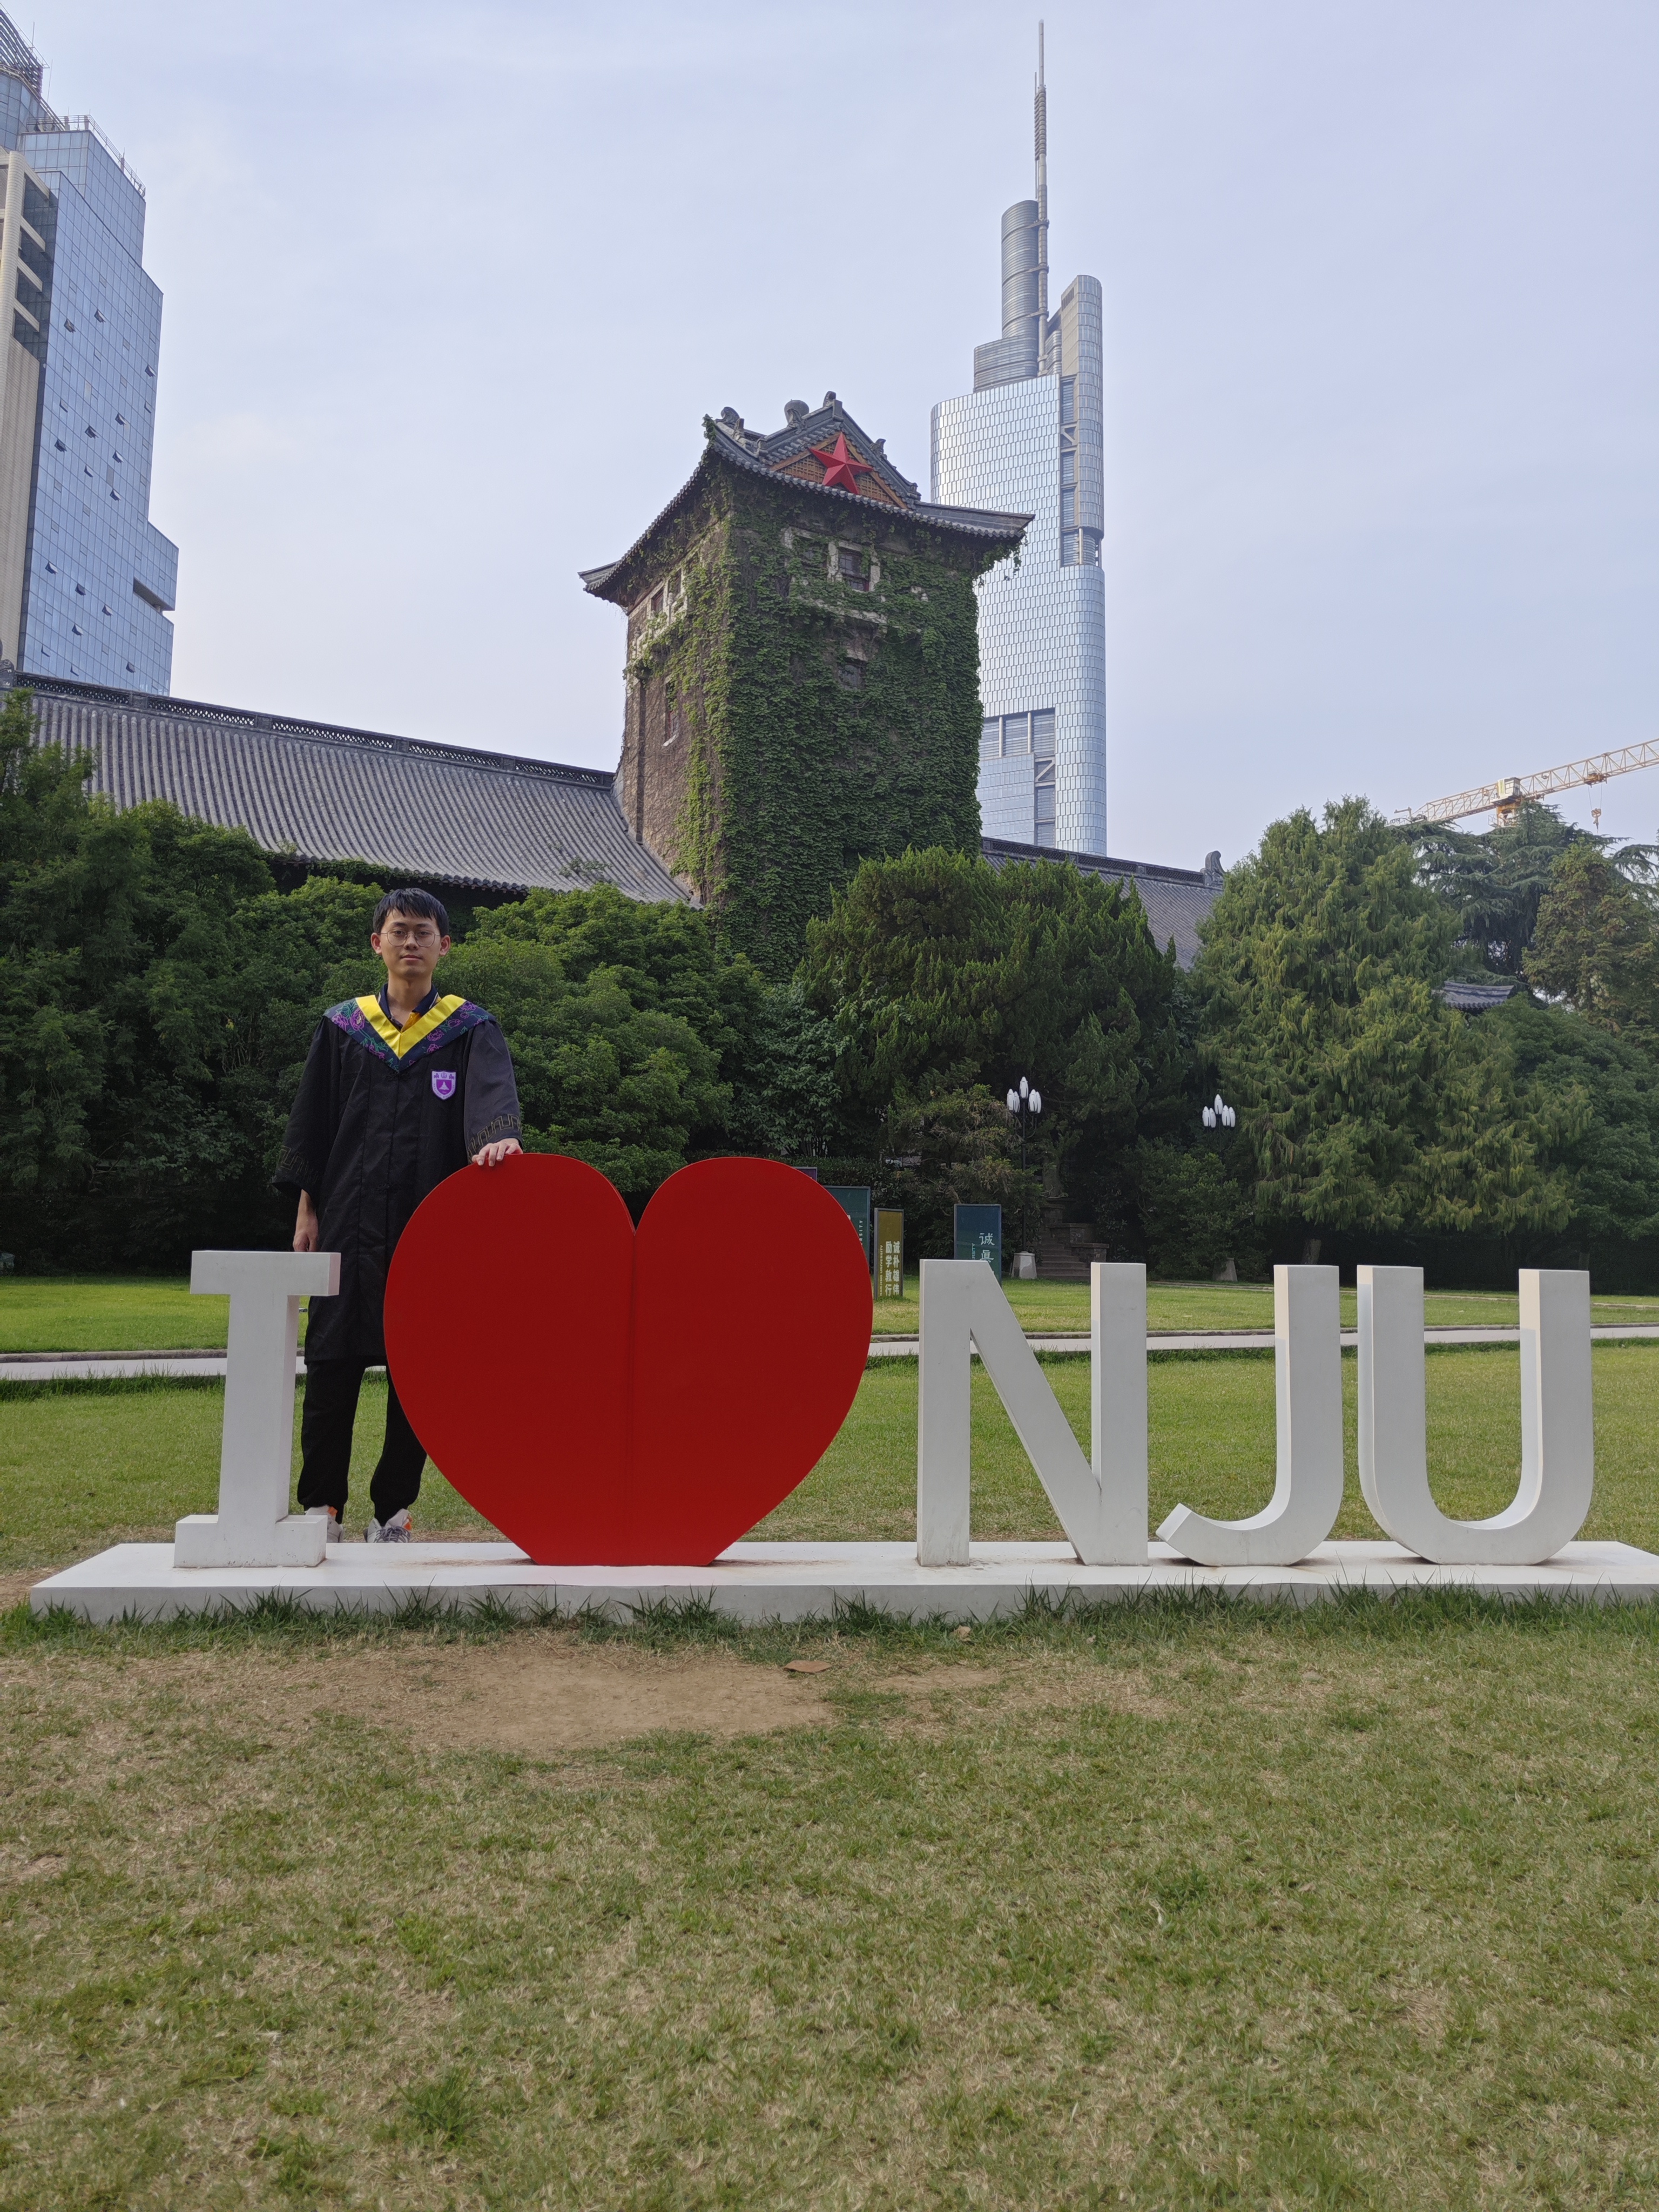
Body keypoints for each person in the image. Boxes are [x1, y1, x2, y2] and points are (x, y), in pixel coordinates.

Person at [274, 888, 522, 1542]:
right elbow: (314, 1123)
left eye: (423, 932)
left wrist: (497, 1137)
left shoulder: (470, 1030)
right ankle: (323, 1506)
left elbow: (492, 1101)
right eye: (399, 931)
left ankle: (393, 1510)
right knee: (331, 1362)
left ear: (445, 946)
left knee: (418, 1371)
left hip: (428, 1229)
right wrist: (306, 1210)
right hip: (348, 1221)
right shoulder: (342, 1028)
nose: (411, 942)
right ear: (377, 943)